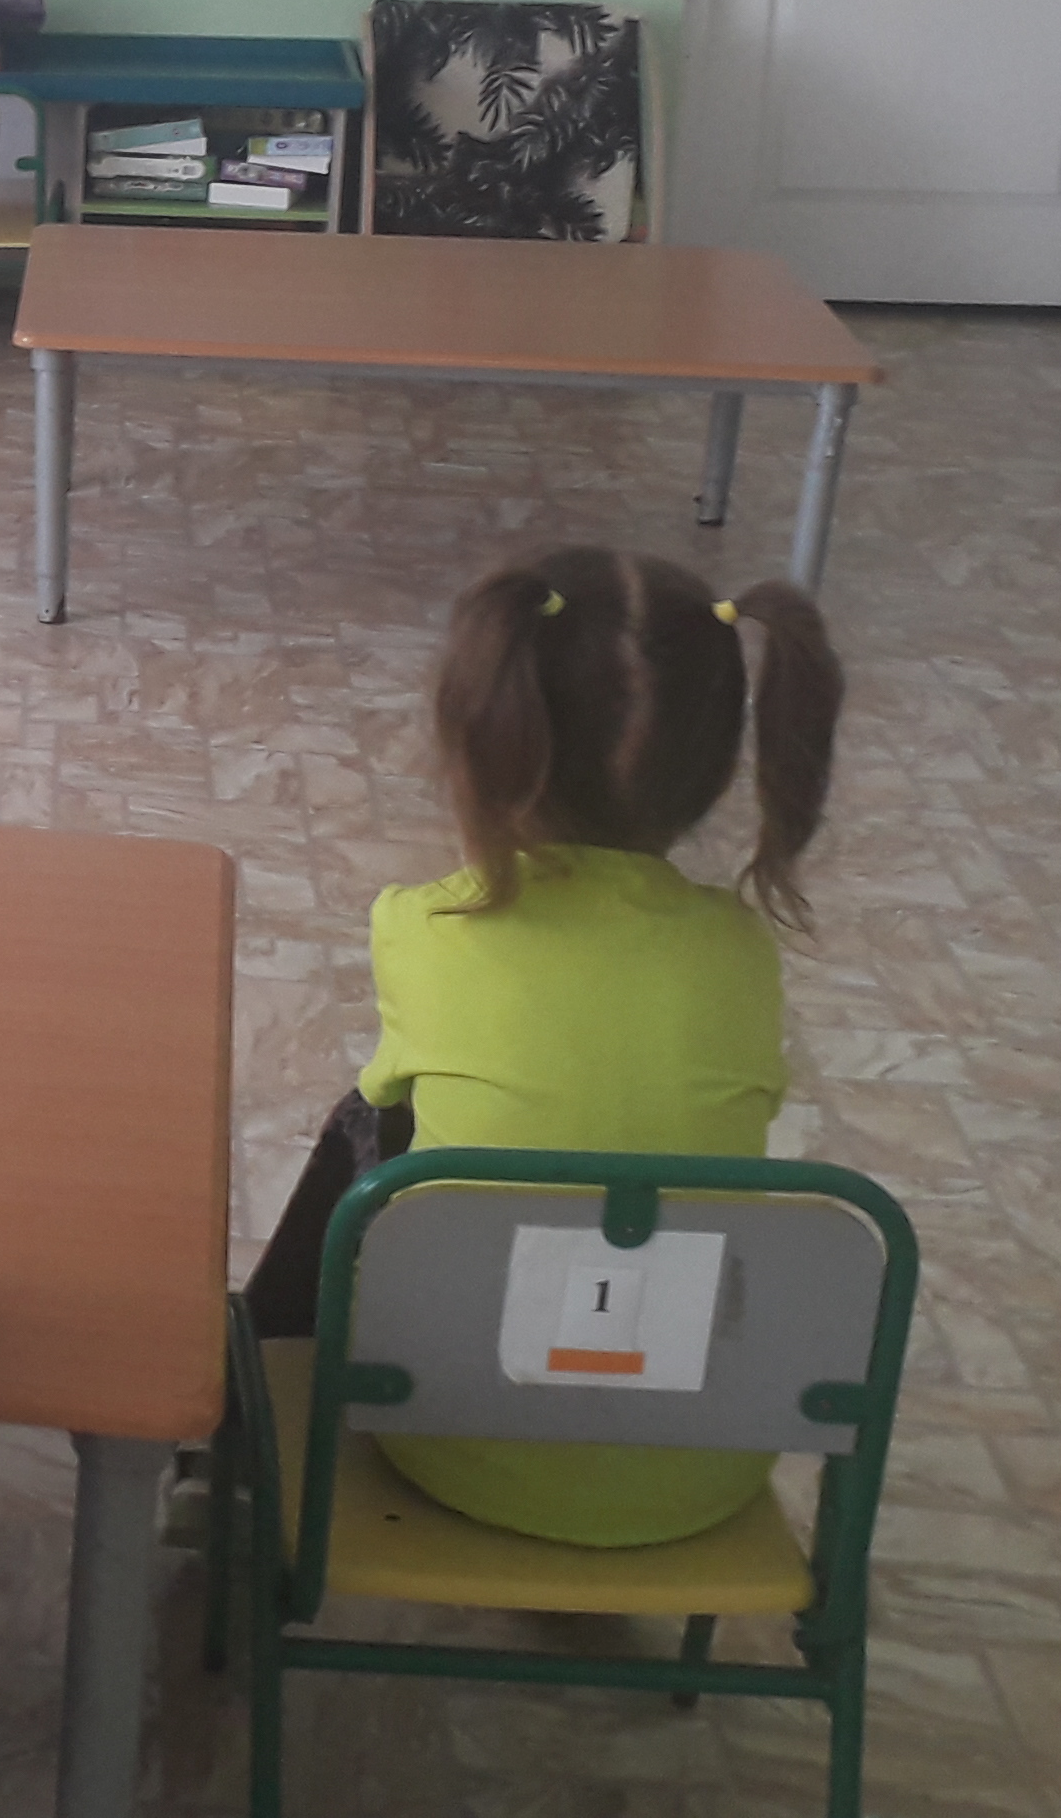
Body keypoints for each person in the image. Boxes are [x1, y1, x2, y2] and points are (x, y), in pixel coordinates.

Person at [238, 544, 844, 1550]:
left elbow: (384, 1113)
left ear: (482, 748)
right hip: (702, 1474)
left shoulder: (423, 924)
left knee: (370, 1121)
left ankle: (240, 1397)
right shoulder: (741, 951)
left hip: (445, 1440)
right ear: (716, 770)